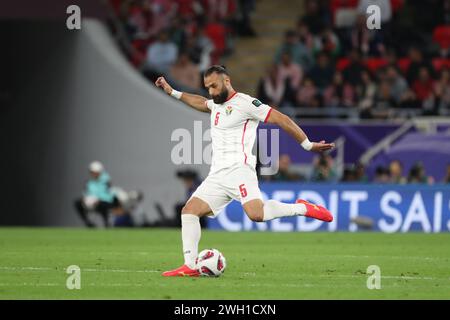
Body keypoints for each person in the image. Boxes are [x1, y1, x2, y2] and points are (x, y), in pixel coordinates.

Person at [155, 65, 335, 277]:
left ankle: (302, 208)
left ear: (227, 81)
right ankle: (190, 265)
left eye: (214, 85)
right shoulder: (216, 104)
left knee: (256, 215)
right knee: (189, 211)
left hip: (240, 170)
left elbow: (281, 119)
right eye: (207, 87)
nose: (211, 91)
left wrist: (308, 145)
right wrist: (172, 92)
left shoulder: (246, 103)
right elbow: (201, 103)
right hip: (217, 175)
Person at [74, 161, 119, 228]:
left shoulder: (106, 181)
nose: (93, 174)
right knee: (77, 203)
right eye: (92, 172)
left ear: (100, 172)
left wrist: (99, 199)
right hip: (92, 202)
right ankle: (88, 223)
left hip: (105, 201)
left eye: (95, 172)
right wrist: (85, 198)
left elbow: (109, 193)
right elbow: (86, 193)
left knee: (103, 205)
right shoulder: (89, 182)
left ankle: (107, 224)